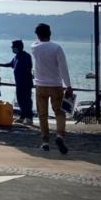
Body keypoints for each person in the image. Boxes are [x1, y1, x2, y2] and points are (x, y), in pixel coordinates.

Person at [32, 23, 73, 154]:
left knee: (42, 115)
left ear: (38, 35)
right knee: (59, 112)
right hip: (56, 85)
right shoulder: (56, 48)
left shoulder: (34, 47)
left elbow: (37, 42)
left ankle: (45, 142)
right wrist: (68, 85)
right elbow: (63, 68)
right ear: (50, 33)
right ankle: (60, 136)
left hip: (40, 85)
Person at [0, 39, 33, 125]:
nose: (12, 49)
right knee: (20, 100)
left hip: (25, 83)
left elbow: (27, 69)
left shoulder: (26, 56)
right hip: (19, 83)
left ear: (18, 47)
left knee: (26, 100)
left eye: (13, 47)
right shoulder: (16, 57)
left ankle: (29, 117)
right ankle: (22, 116)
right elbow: (10, 64)